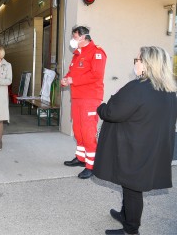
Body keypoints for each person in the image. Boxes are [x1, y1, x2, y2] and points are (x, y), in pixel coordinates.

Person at [93, 46, 177, 235]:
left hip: (134, 147)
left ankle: (131, 229)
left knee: (132, 189)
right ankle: (125, 215)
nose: (135, 64)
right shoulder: (169, 90)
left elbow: (111, 112)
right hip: (152, 147)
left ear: (147, 64)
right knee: (129, 184)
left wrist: (102, 106)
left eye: (137, 60)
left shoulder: (138, 88)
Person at [61, 25, 107, 179]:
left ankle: (91, 165)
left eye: (74, 37)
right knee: (78, 129)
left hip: (90, 98)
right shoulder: (77, 54)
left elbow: (96, 75)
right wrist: (66, 79)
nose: (73, 40)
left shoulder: (97, 53)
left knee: (88, 132)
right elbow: (72, 72)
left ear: (83, 37)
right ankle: (81, 158)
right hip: (77, 98)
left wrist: (74, 80)